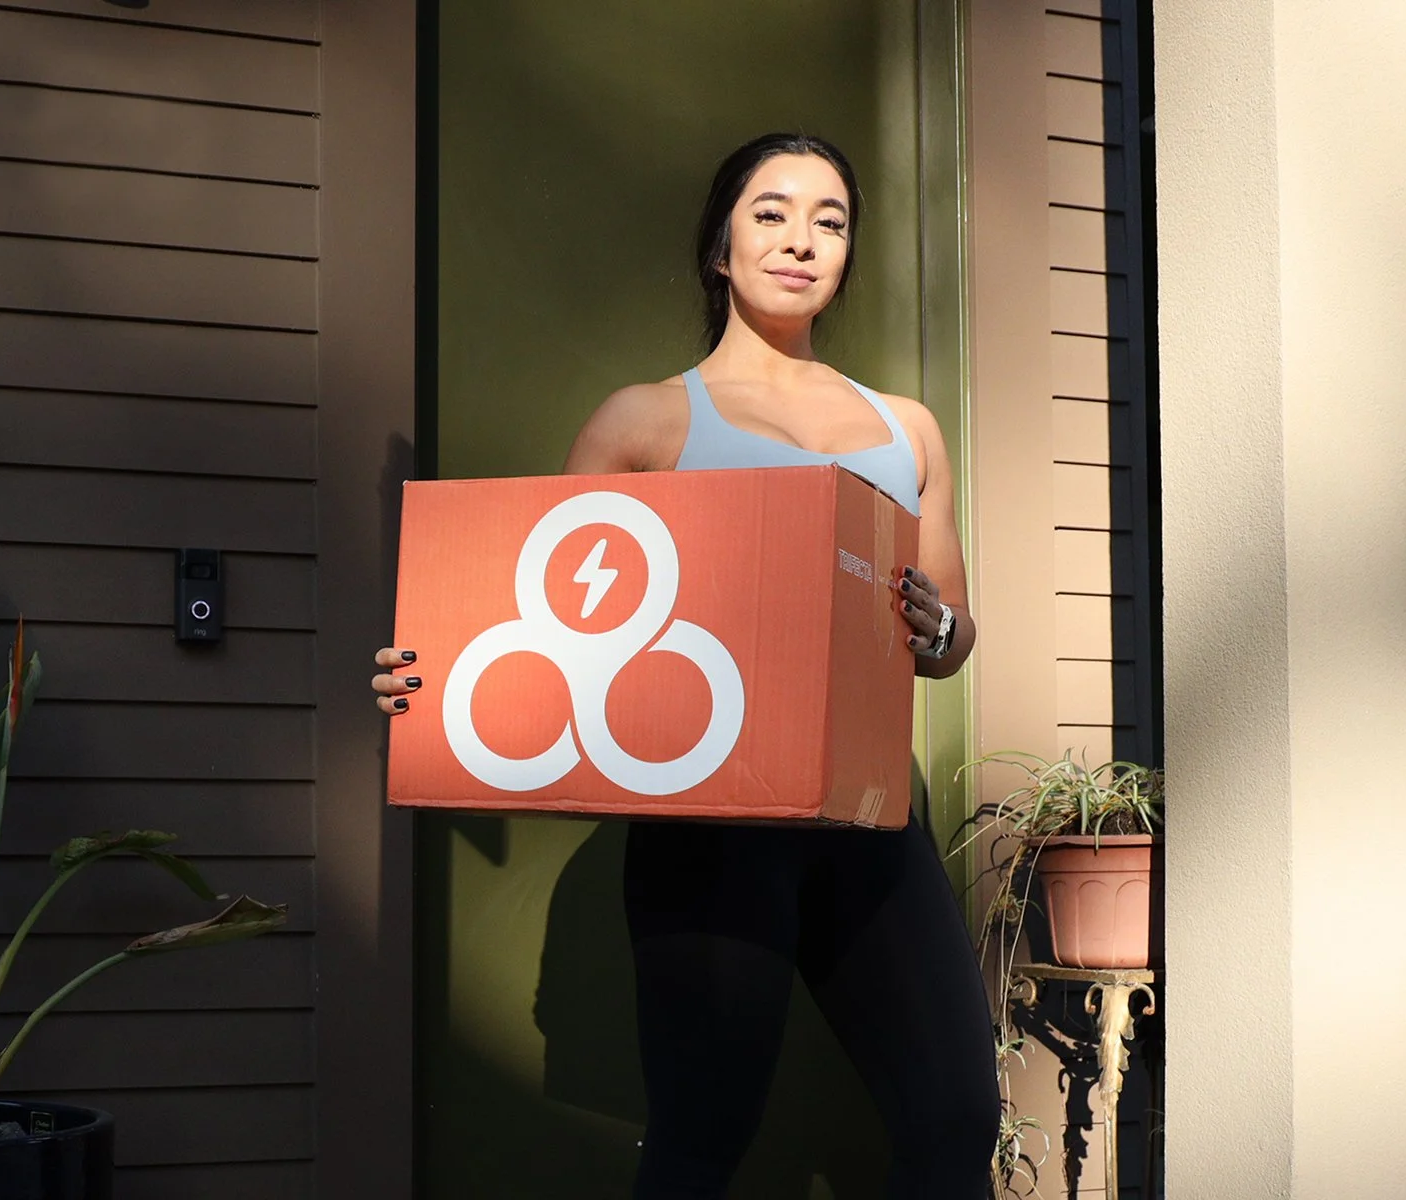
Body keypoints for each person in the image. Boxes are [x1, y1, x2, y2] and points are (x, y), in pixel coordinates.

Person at [372, 133, 998, 1199]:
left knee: (953, 1119)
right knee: (702, 1141)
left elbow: (949, 644)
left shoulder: (908, 431)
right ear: (720, 246)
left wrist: (937, 625)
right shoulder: (648, 422)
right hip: (711, 834)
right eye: (771, 212)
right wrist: (427, 673)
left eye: (830, 220)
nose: (801, 239)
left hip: (873, 818)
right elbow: (543, 614)